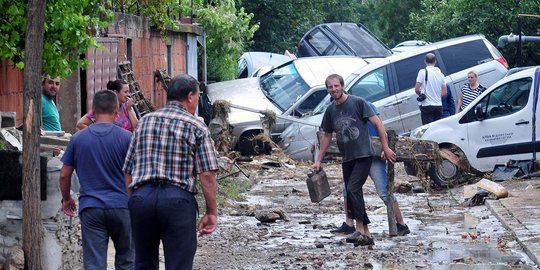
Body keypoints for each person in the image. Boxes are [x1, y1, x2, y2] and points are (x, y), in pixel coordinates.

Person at [123, 74, 219, 269]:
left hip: (142, 199)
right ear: (190, 96)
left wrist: (135, 200)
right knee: (178, 264)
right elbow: (207, 174)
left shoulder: (144, 122)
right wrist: (211, 211)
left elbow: (128, 170)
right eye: (198, 96)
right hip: (177, 202)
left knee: (143, 263)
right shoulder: (196, 126)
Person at [313, 74, 397, 246]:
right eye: (330, 87)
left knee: (352, 189)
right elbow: (327, 136)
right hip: (347, 158)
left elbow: (378, 124)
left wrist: (386, 147)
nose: (334, 89)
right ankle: (366, 234)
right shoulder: (330, 110)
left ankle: (359, 229)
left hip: (364, 154)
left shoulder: (358, 102)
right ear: (327, 89)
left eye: (336, 86)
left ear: (342, 86)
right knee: (353, 193)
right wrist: (318, 160)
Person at [59, 90, 134, 270]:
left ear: (93, 110)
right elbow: (134, 175)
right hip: (122, 207)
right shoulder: (127, 138)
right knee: (127, 261)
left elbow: (64, 174)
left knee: (94, 263)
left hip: (91, 208)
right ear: (116, 110)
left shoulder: (78, 139)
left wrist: (67, 198)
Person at [331, 102, 410, 237]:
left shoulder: (363, 105)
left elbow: (380, 125)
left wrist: (384, 147)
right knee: (348, 190)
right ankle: (349, 224)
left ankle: (401, 224)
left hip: (373, 155)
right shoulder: (340, 111)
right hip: (357, 155)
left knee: (384, 191)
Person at [415, 53, 447, 125]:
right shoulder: (441, 74)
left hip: (427, 105)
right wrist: (436, 95)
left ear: (425, 61)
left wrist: (421, 94)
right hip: (438, 105)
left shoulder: (422, 72)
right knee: (437, 127)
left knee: (428, 129)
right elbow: (444, 92)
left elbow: (417, 89)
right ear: (435, 61)